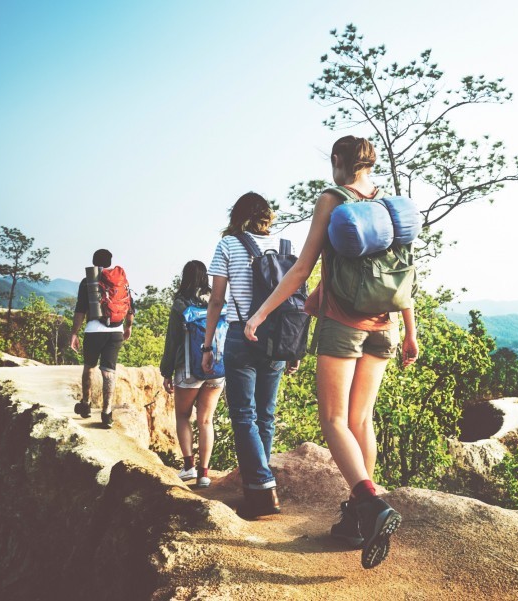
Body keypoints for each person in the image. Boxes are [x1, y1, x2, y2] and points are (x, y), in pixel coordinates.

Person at [243, 136, 418, 569]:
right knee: (362, 420)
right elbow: (403, 274)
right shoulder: (389, 206)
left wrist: (261, 313)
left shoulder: (332, 200)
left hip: (344, 327)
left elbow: (302, 266)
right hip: (388, 324)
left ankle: (371, 505)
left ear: (338, 162)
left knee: (334, 420)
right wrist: (412, 333)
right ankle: (357, 518)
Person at [203, 192, 299, 519]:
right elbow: (295, 298)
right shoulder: (287, 245)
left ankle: (261, 488)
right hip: (278, 336)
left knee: (244, 415)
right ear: (267, 215)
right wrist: (294, 346)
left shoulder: (229, 244)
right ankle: (261, 484)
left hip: (242, 335)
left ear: (237, 215)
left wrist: (207, 345)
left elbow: (216, 300)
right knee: (266, 415)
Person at [159, 260, 225, 488]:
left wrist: (166, 372)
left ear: (185, 277)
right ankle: (204, 474)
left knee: (183, 416)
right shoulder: (218, 299)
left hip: (189, 369)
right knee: (206, 420)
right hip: (216, 369)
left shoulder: (181, 303)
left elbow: (172, 340)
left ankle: (188, 467)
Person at [71, 248, 134, 428]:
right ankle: (106, 413)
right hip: (116, 331)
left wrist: (74, 333)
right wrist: (127, 327)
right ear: (110, 261)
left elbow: (80, 310)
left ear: (94, 262)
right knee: (109, 371)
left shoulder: (88, 281)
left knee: (89, 368)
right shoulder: (122, 281)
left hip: (93, 331)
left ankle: (86, 405)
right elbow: (130, 308)